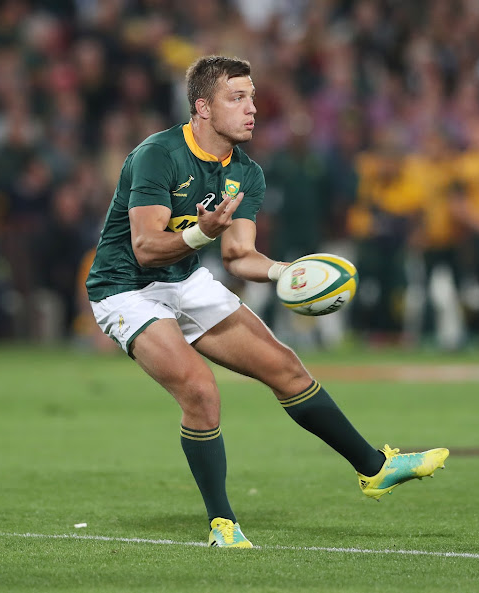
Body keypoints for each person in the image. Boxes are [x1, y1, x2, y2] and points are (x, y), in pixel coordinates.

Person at [85, 56, 449, 548]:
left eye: (252, 97)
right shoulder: (158, 154)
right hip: (124, 286)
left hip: (184, 278)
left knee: (286, 367)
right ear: (203, 108)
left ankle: (375, 468)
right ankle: (222, 524)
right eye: (237, 98)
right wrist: (200, 234)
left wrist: (285, 272)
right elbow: (145, 247)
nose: (252, 109)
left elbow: (238, 254)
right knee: (200, 391)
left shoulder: (247, 173)